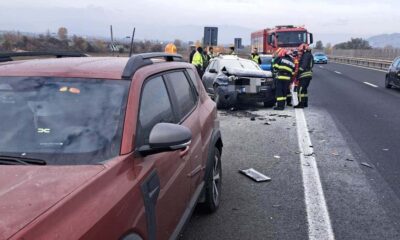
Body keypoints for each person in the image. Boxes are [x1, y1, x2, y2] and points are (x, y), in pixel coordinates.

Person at [295, 44, 314, 108]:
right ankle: (305, 103)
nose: (300, 52)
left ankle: (301, 104)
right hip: (308, 74)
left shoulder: (306, 55)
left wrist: (298, 74)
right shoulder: (310, 55)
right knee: (304, 90)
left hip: (304, 75)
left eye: (301, 51)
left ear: (304, 50)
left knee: (300, 90)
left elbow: (303, 66)